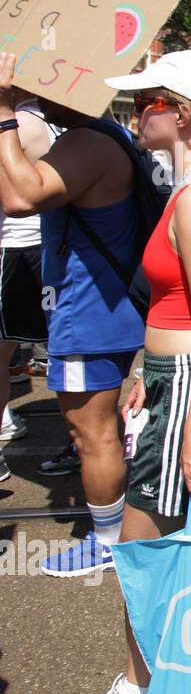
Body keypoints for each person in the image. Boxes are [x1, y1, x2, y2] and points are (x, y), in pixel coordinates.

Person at [42, 49, 191, 694]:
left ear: (185, 114)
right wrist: (145, 367)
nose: (137, 114)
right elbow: (187, 309)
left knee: (142, 547)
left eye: (151, 103)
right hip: (190, 382)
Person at [0, 58, 145, 578]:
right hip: (93, 310)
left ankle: (109, 541)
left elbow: (19, 197)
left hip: (90, 314)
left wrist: (2, 109)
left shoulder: (89, 142)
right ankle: (114, 532)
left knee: (92, 433)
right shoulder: (98, 136)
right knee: (93, 430)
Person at [0, 92, 55, 473]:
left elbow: (13, 200)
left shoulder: (23, 124)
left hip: (15, 249)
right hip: (42, 246)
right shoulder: (47, 121)